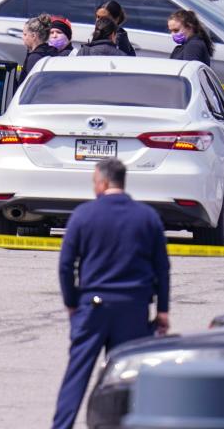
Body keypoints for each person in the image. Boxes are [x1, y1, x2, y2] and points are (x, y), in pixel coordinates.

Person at [51, 158, 170, 429]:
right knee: (128, 377)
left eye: (95, 182)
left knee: (77, 374)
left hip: (92, 307)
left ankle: (62, 425)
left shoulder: (83, 215)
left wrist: (71, 303)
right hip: (133, 308)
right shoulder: (147, 217)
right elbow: (162, 268)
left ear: (103, 183)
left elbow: (66, 265)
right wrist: (163, 310)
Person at [18, 13, 58, 87]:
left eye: (25, 34)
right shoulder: (54, 52)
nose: (22, 37)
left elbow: (30, 88)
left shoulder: (34, 58)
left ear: (33, 36)